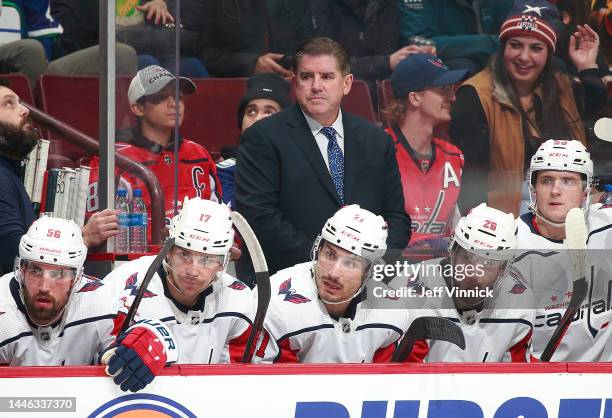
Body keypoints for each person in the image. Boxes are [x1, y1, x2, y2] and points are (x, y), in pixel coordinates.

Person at [235, 37, 410, 285]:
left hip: (364, 283)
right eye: (307, 77)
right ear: (295, 84)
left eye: (327, 77)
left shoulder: (376, 141)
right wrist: (326, 264)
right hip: (288, 282)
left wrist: (373, 264)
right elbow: (259, 216)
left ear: (347, 83)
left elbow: (397, 217)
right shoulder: (262, 137)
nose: (316, 86)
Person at [449, 0, 608, 216]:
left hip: (568, 214)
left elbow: (595, 114)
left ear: (548, 54)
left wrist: (587, 68)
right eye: (515, 45)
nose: (524, 56)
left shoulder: (561, 86)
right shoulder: (475, 96)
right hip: (504, 221)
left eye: (536, 48)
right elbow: (471, 183)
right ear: (503, 46)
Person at [0, 216, 177, 392]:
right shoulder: (3, 310)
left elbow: (154, 334)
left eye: (59, 275)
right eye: (36, 271)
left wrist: (149, 341)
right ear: (21, 270)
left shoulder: (101, 300)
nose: (45, 287)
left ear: (77, 279)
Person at [253, 205, 414, 363]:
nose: (333, 273)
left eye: (350, 263)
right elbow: (272, 385)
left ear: (369, 272)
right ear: (318, 249)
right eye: (330, 255)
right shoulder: (275, 303)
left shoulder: (392, 309)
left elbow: (387, 383)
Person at [103, 197, 255, 363]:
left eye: (207, 260)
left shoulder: (238, 298)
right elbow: (99, 358)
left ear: (223, 263)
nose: (193, 271)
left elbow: (237, 377)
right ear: (167, 250)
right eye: (184, 255)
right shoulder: (123, 285)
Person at [86, 65, 222, 233]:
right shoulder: (112, 157)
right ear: (138, 108)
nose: (174, 104)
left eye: (178, 97)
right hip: (139, 256)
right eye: (161, 97)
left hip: (196, 254)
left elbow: (219, 218)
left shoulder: (199, 154)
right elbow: (97, 227)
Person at [0, 78, 114, 274]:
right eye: (8, 103)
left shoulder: (9, 171)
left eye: (19, 101)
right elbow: (15, 258)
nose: (25, 110)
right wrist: (82, 238)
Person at [513, 139, 612, 361]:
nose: (555, 191)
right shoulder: (510, 242)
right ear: (533, 188)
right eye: (547, 180)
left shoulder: (607, 227)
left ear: (585, 191)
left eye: (568, 181)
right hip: (541, 382)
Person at [405, 203, 534, 362]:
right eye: (467, 257)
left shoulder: (519, 301)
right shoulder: (414, 287)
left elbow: (517, 378)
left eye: (489, 263)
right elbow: (407, 379)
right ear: (452, 251)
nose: (474, 274)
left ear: (504, 268)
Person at [384, 53, 469, 252]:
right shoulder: (379, 149)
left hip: (440, 271)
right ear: (415, 98)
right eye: (443, 89)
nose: (453, 97)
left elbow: (458, 228)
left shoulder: (455, 157)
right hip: (389, 269)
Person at [216, 73, 291, 209]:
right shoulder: (224, 171)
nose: (258, 118)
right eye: (251, 111)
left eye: (269, 112)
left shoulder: (299, 167)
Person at [398, 0, 515, 75]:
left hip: (486, 56)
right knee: (464, 67)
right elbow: (419, 44)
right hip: (440, 64)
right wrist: (487, 43)